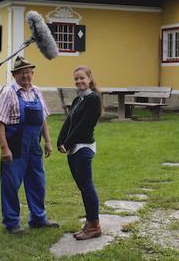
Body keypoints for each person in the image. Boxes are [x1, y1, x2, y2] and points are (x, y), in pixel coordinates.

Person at [0, 56, 59, 233]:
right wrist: (4, 148)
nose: (26, 76)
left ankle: (38, 218)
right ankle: (12, 222)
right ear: (14, 75)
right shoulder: (9, 92)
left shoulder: (37, 91)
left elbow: (42, 119)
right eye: (22, 73)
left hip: (34, 146)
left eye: (29, 72)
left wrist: (48, 141)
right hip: (15, 147)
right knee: (11, 185)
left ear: (33, 73)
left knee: (38, 182)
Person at [57, 65, 102, 240]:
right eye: (76, 79)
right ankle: (90, 222)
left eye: (82, 78)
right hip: (73, 149)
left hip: (83, 148)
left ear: (90, 78)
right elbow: (69, 122)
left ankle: (95, 225)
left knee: (87, 186)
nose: (79, 81)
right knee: (83, 187)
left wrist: (67, 144)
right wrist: (60, 141)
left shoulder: (93, 100)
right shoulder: (79, 100)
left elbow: (84, 126)